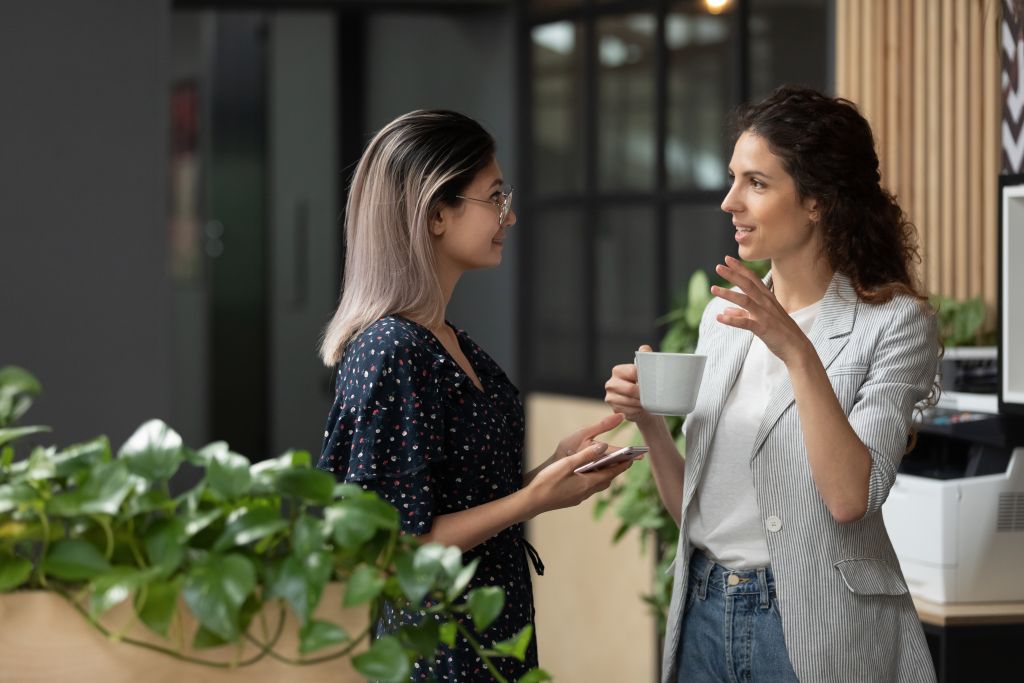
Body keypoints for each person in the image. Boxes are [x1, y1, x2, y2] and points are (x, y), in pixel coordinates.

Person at [605, 85, 939, 682]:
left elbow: (848, 499)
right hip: (704, 614)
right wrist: (651, 424)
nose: (731, 201)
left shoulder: (893, 325)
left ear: (817, 201)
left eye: (757, 183)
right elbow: (696, 514)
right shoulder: (723, 317)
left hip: (814, 626)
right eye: (734, 179)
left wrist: (794, 349)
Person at [316, 110, 631, 681]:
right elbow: (396, 546)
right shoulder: (392, 348)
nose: (509, 214)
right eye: (495, 196)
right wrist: (532, 500)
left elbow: (454, 502)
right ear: (437, 214)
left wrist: (548, 473)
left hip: (491, 636)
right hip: (443, 652)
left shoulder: (446, 340)